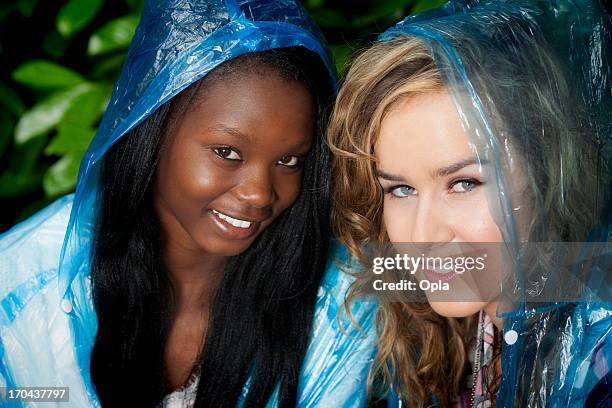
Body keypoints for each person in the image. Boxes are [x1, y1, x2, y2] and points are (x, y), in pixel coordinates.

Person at [0, 0, 377, 406]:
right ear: (150, 128)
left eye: (289, 161)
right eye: (227, 152)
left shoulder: (347, 299)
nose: (259, 193)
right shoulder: (22, 281)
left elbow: (452, 270)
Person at [328, 0, 611, 406]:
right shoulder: (457, 338)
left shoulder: (598, 356)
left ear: (544, 174)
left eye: (463, 183)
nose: (423, 235)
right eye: (401, 189)